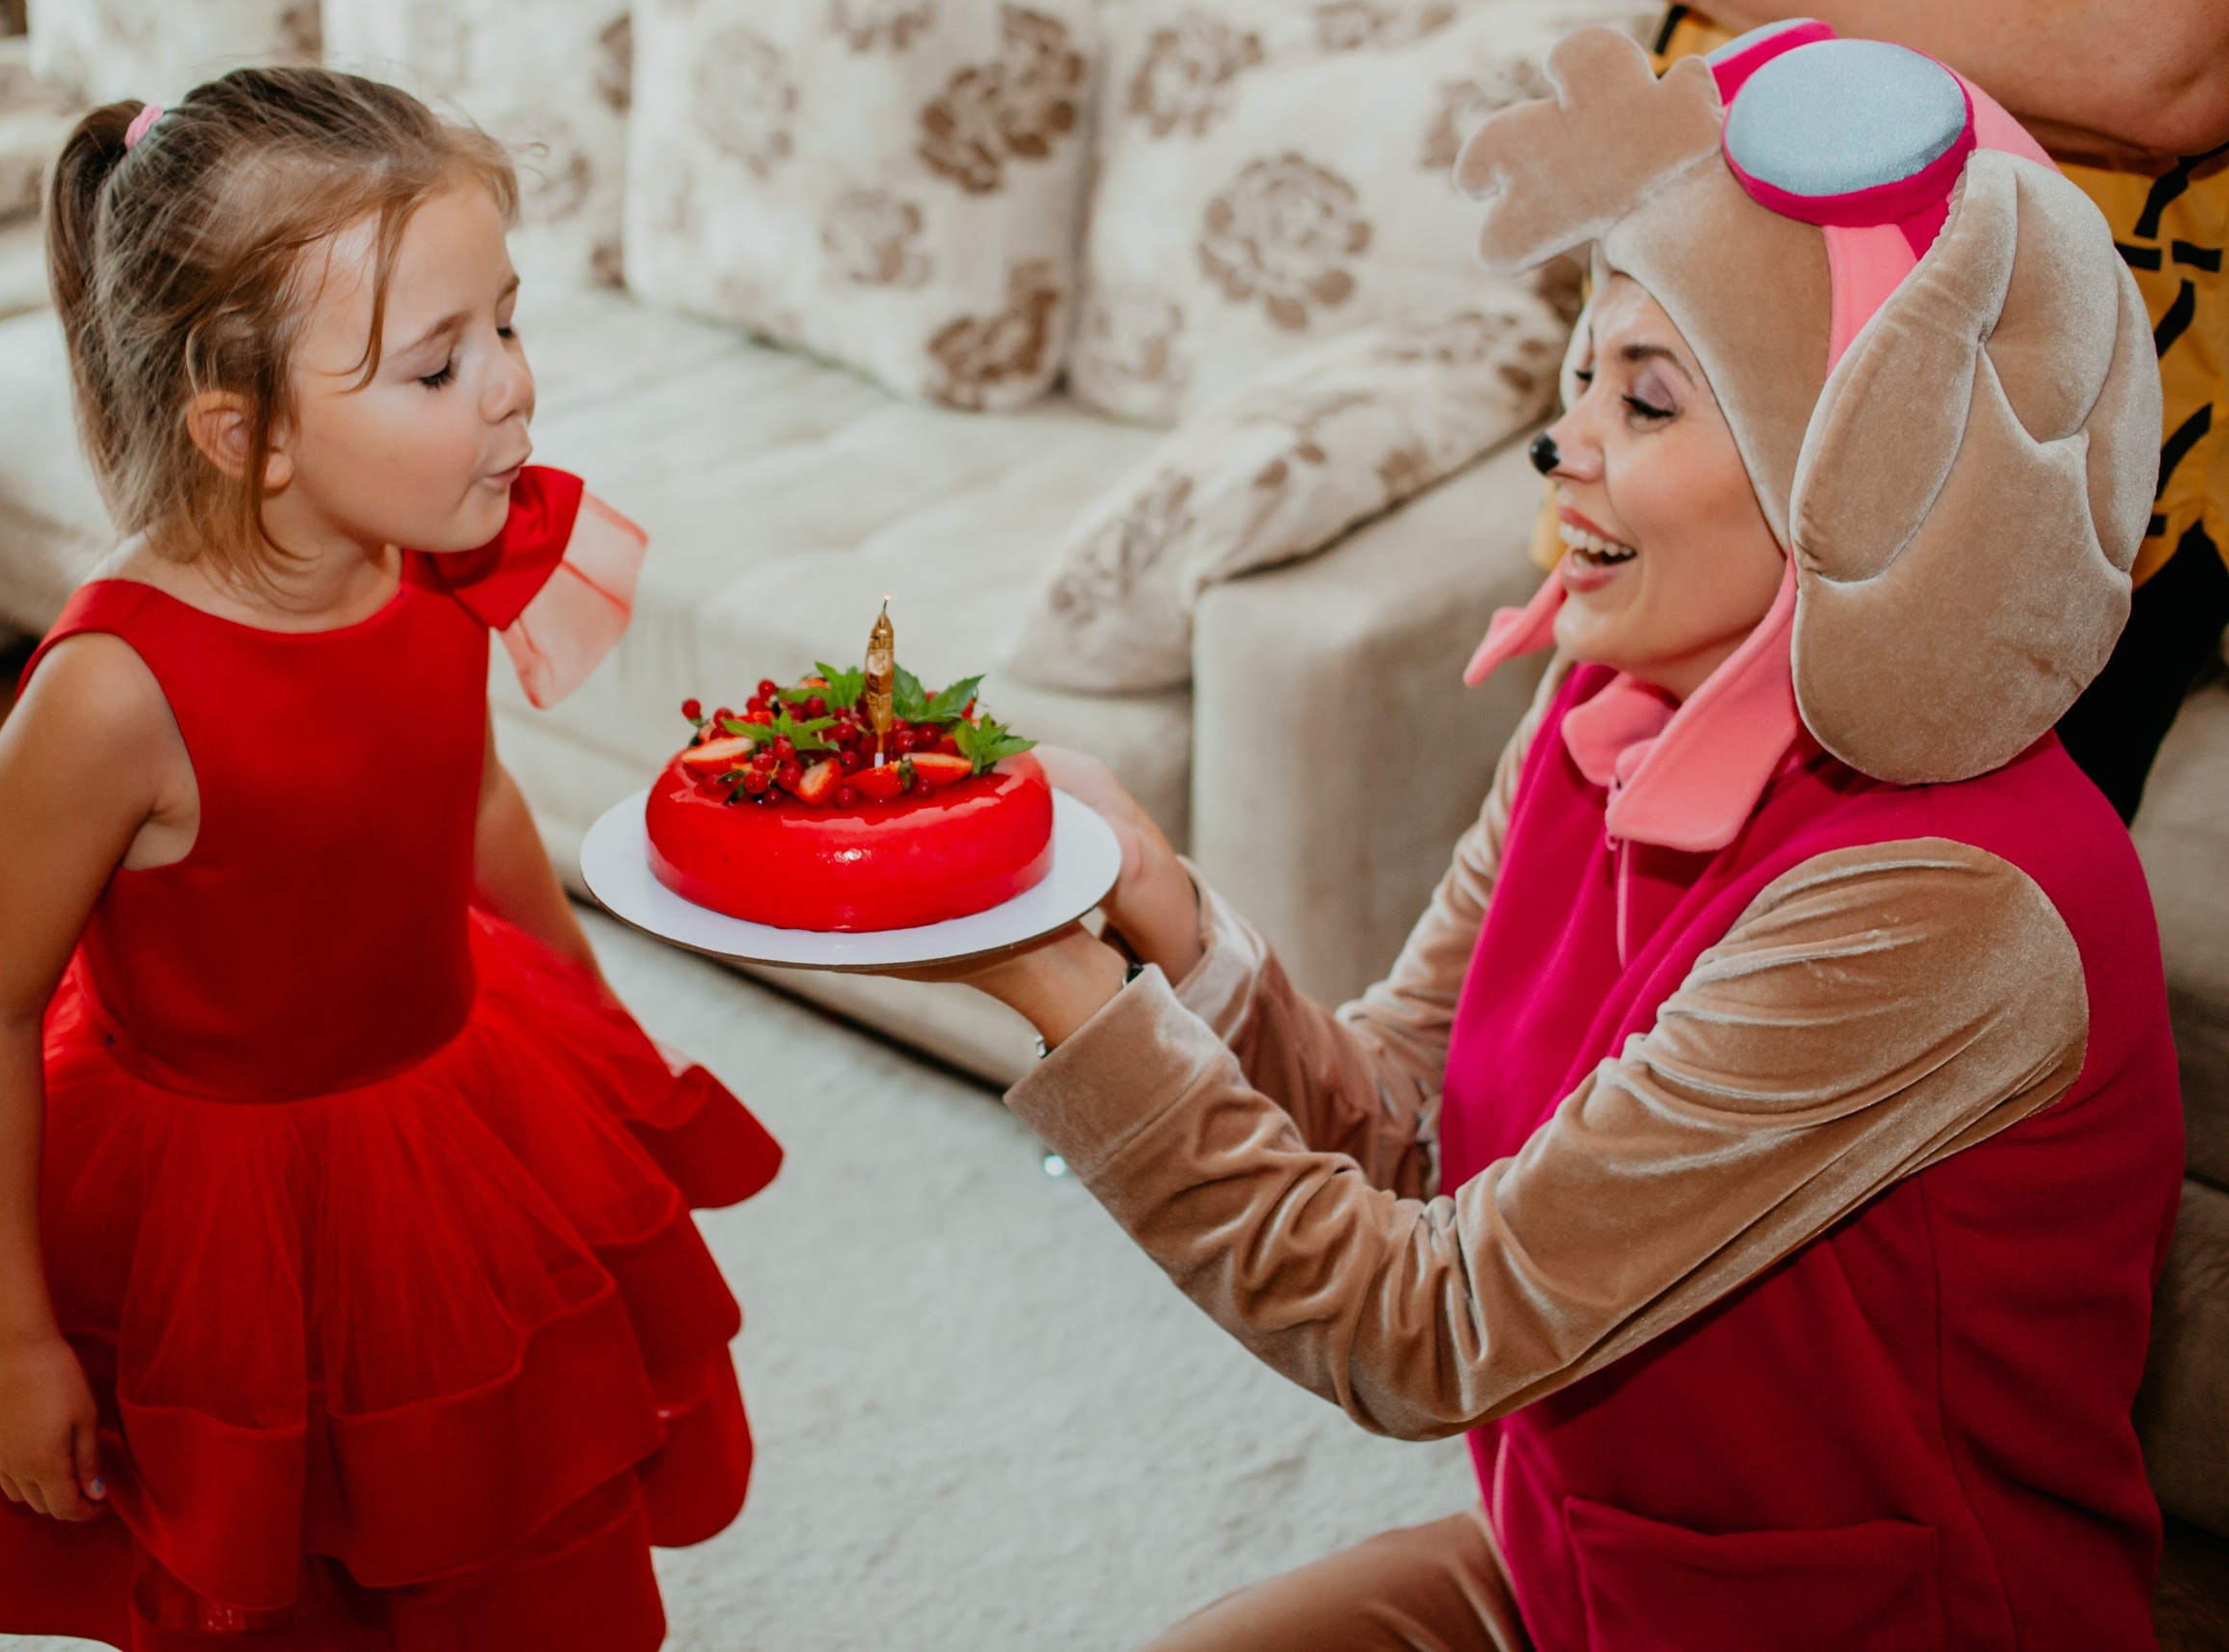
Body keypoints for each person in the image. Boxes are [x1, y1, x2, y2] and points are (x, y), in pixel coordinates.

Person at [930, 26, 2182, 1651]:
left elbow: (1428, 1327)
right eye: (1582, 371)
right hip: (1580, 1576)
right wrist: (1169, 918)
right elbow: (1404, 1124)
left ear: (1865, 474)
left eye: (1648, 397)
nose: (1563, 441)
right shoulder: (1602, 708)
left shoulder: (1946, 904)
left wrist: (1073, 1003)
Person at [0, 70, 781, 1650]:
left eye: (507, 324)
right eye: (439, 363)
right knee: (274, 1544)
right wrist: (13, 1336)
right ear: (243, 429)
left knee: (496, 1500)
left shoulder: (428, 559)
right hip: (226, 1196)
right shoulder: (113, 694)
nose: (513, 389)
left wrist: (599, 1026)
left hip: (454, 1096)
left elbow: (474, 806)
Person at [1644, 4, 2229, 823]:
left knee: (1954, 866)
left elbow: (2159, 61)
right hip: (1690, 278)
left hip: (2041, 420)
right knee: (1600, 821)